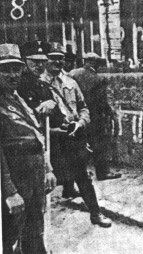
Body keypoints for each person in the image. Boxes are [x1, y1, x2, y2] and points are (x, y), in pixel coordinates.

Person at [40, 42, 111, 227]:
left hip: (72, 137)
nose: (58, 61)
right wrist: (52, 131)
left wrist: (80, 123)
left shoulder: (71, 81)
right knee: (46, 182)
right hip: (51, 141)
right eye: (53, 57)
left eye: (61, 57)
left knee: (83, 177)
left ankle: (96, 214)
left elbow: (83, 107)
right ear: (45, 60)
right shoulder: (38, 83)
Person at [0, 43, 57, 254]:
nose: (13, 74)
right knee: (10, 241)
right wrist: (9, 192)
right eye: (5, 69)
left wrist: (48, 169)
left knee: (34, 235)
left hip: (33, 179)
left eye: (16, 68)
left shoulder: (17, 98)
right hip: (14, 184)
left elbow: (37, 137)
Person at [69, 52, 121, 180]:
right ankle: (103, 172)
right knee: (99, 144)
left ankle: (78, 176)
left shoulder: (72, 74)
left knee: (77, 146)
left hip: (77, 115)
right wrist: (110, 113)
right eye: (97, 63)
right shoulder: (98, 79)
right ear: (93, 63)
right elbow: (102, 101)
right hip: (95, 116)